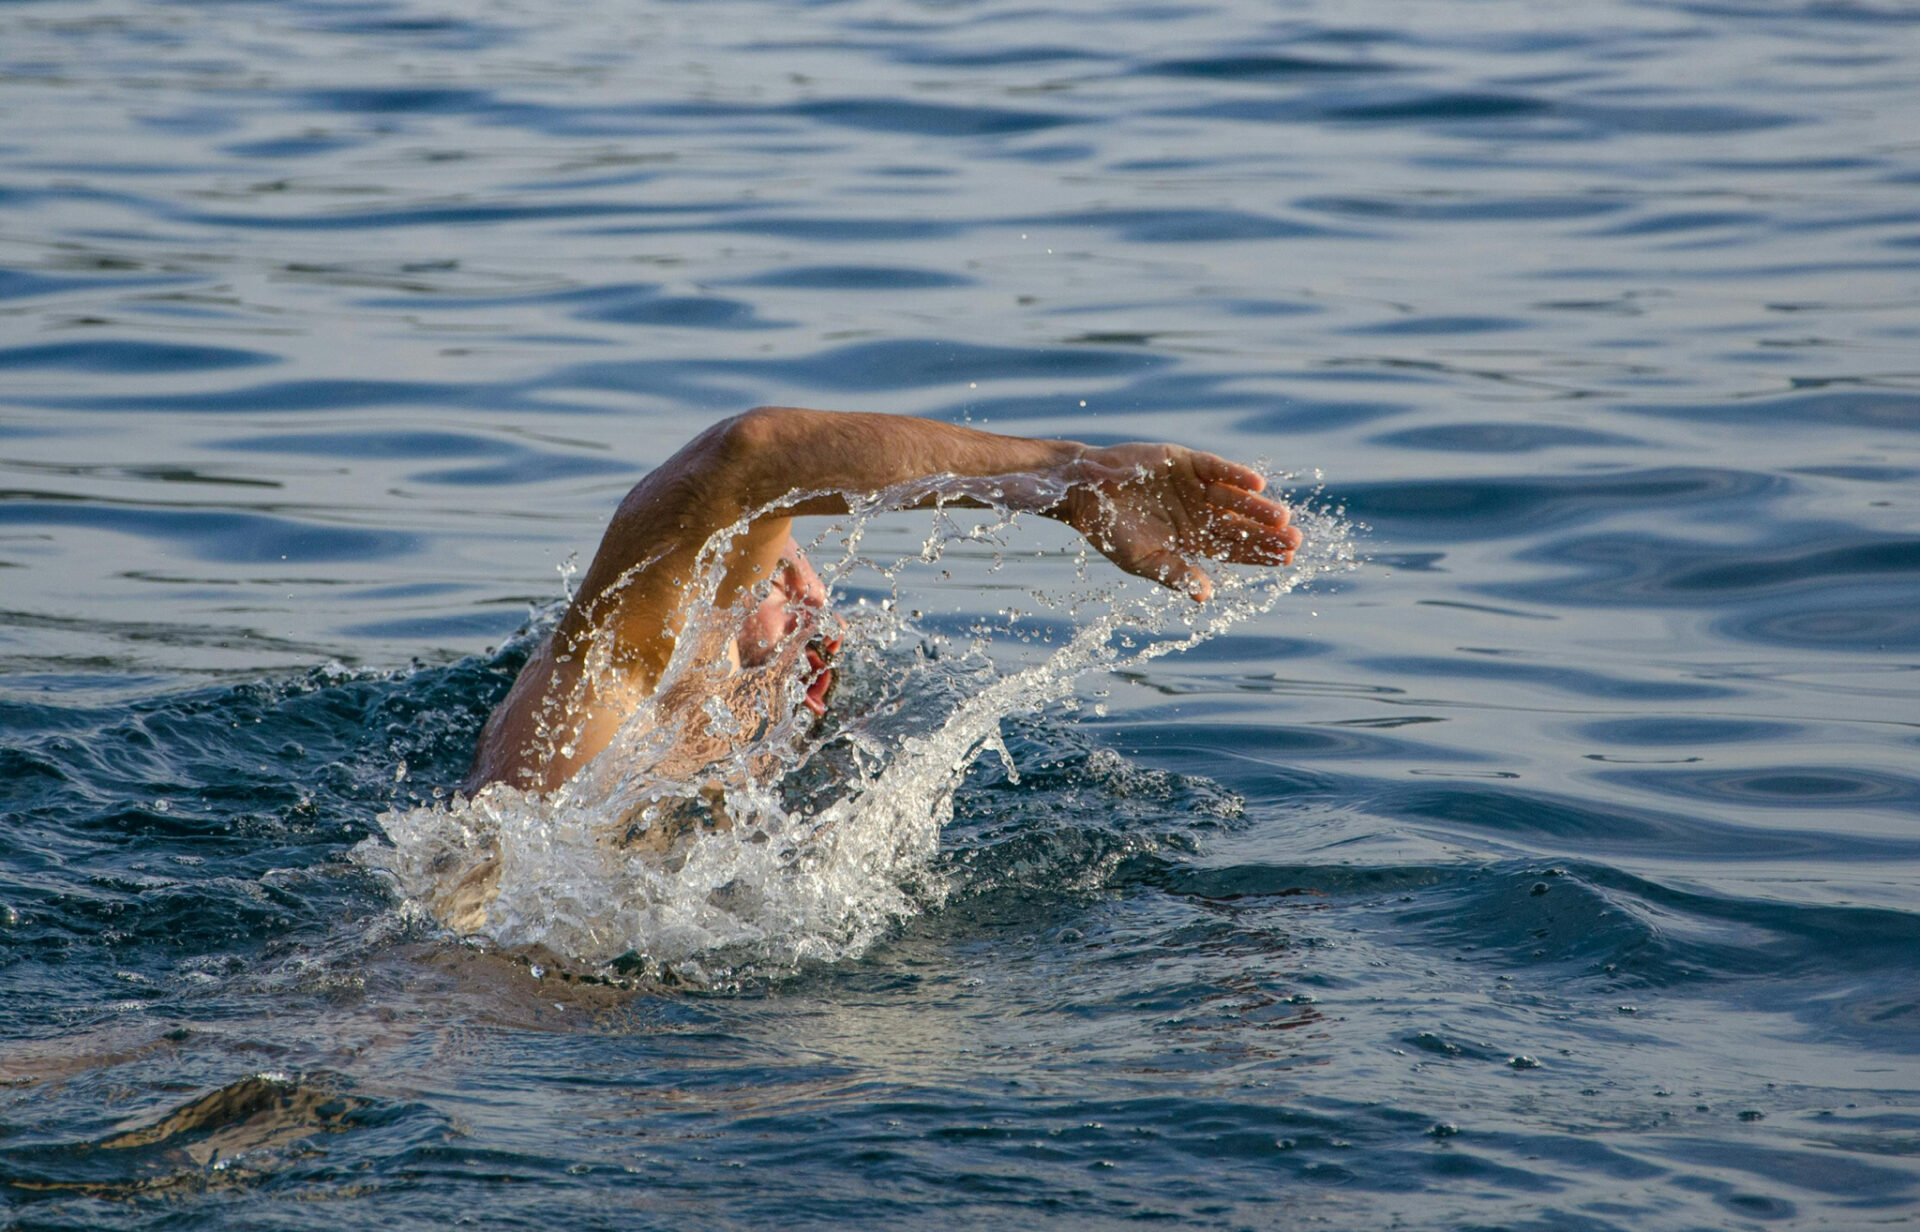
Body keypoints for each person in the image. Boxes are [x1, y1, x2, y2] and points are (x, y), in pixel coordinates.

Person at [463, 406, 1302, 796]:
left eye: (804, 578)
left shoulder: (705, 792)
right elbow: (749, 461)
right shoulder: (601, 693)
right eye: (770, 560)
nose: (803, 588)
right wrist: (1064, 476)